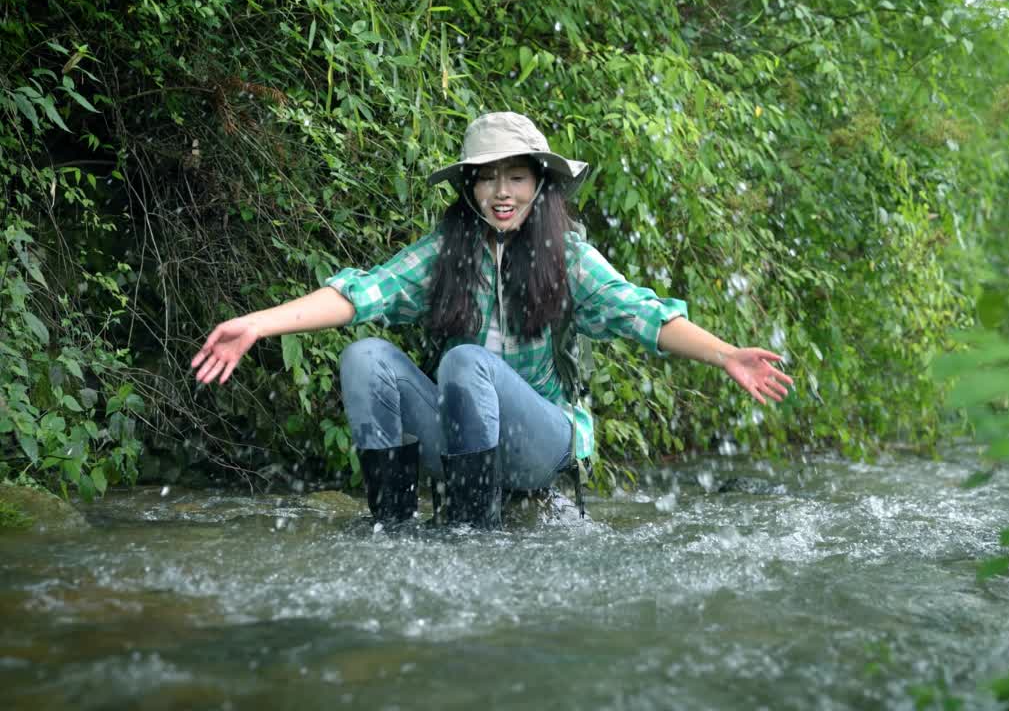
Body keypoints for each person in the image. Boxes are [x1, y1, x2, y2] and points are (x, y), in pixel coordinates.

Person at [190, 112, 793, 529]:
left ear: (540, 184)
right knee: (364, 356)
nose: (502, 192)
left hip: (542, 445)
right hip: (460, 440)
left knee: (464, 360)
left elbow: (645, 315)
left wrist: (726, 354)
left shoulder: (568, 255)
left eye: (517, 176)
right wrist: (259, 324)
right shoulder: (446, 251)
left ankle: (474, 535)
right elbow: (361, 293)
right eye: (488, 178)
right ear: (471, 187)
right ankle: (391, 526)